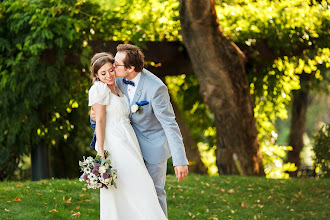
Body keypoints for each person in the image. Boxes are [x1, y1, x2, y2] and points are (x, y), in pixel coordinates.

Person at [91, 44, 189, 217]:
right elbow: (102, 109)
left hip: (153, 146)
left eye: (116, 64)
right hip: (125, 144)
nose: (112, 67)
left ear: (130, 68)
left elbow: (169, 124)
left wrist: (180, 160)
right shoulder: (115, 78)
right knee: (128, 192)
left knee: (153, 193)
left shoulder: (156, 88)